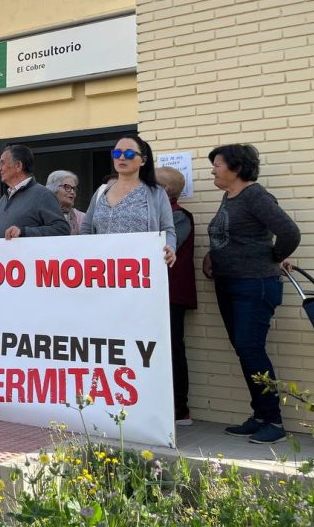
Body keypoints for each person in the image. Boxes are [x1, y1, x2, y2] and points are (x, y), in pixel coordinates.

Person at [203, 143, 300, 445]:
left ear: (236, 168)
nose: (213, 170)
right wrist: (213, 256)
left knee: (251, 349)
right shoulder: (228, 196)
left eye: (217, 164)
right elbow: (232, 237)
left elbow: (289, 232)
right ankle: (259, 416)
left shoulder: (255, 195)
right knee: (245, 350)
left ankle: (274, 421)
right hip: (228, 283)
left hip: (254, 285)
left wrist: (272, 258)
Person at [80, 134, 176, 265]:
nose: (121, 157)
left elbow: (168, 230)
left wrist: (170, 249)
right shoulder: (101, 191)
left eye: (129, 153)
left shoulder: (156, 193)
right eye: (117, 153)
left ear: (143, 160)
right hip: (102, 269)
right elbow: (86, 228)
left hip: (141, 269)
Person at [156, 166, 197, 426]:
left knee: (172, 350)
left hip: (171, 295)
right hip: (156, 294)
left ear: (164, 191)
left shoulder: (179, 216)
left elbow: (163, 248)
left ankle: (180, 409)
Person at [0, 145, 69, 243]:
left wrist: (23, 232)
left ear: (18, 166)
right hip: (2, 262)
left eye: (2, 163)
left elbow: (62, 229)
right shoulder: (3, 199)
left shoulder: (43, 195)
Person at [46, 170, 85, 235]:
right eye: (67, 187)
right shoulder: (41, 214)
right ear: (53, 188)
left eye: (74, 189)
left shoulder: (82, 218)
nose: (72, 192)